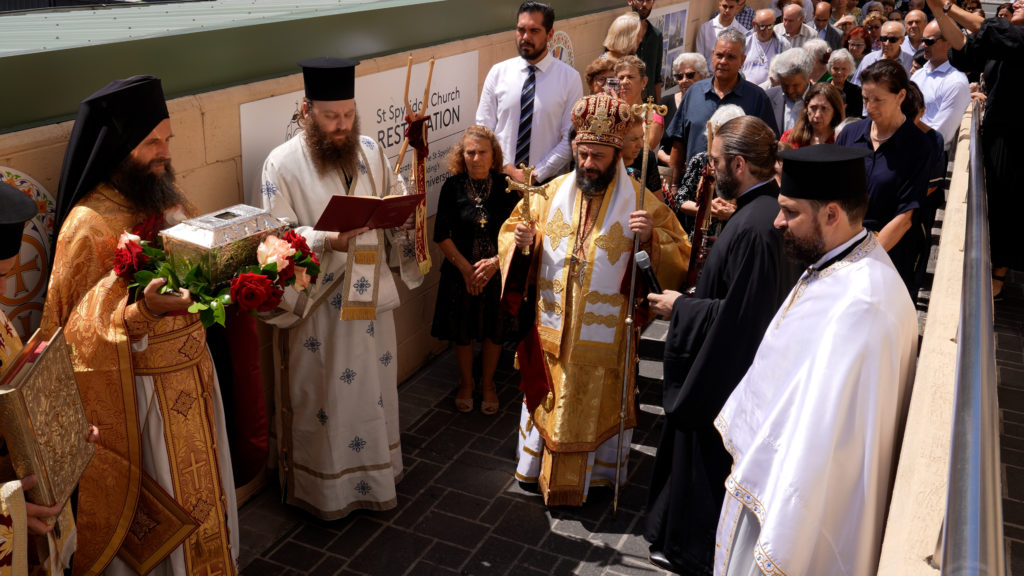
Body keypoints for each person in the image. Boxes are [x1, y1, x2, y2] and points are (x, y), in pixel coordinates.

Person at [41, 75, 238, 575]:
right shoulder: (89, 225)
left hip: (193, 378)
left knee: (204, 495)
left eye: (168, 139)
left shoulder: (166, 200)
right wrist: (140, 312)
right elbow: (70, 337)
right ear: (119, 146)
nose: (164, 153)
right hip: (138, 402)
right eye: (152, 142)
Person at [713, 144, 918, 576]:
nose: (777, 221)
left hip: (793, 512)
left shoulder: (863, 304)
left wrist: (783, 527)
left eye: (789, 211)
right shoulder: (838, 261)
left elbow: (823, 442)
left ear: (830, 215)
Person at [504, 93, 690, 507]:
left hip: (605, 341)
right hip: (552, 334)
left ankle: (597, 477)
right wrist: (524, 244)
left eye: (598, 157)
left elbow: (681, 255)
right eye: (583, 154)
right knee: (551, 399)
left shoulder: (641, 201)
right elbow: (513, 235)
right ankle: (535, 469)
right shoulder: (550, 194)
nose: (588, 164)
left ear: (618, 155)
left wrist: (651, 240)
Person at [261, 58, 425, 519]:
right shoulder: (281, 163)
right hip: (321, 310)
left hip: (370, 298)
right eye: (332, 117)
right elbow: (274, 239)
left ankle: (375, 477)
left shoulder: (370, 149)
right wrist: (326, 239)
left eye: (349, 115)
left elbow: (390, 198)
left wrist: (404, 209)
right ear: (306, 110)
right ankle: (324, 492)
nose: (342, 126)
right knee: (326, 397)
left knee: (372, 390)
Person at [644, 116, 800, 575]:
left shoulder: (755, 226)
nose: (709, 172)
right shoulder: (761, 211)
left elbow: (746, 317)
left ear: (738, 164)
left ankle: (693, 552)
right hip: (727, 360)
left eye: (714, 163)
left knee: (706, 469)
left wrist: (682, 309)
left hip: (726, 374)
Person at [937, 0, 1024, 298]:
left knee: (1006, 206)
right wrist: (936, 9)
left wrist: (948, 5)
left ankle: (998, 270)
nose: (1017, 2)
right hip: (996, 135)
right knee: (990, 203)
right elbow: (964, 46)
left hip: (1015, 144)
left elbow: (987, 28)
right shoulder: (1006, 40)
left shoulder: (1016, 39)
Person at [431, 126, 520, 416]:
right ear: (462, 154)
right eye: (470, 152)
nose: (476, 157)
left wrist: (495, 263)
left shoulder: (507, 187)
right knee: (463, 331)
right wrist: (467, 270)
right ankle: (467, 383)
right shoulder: (452, 187)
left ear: (493, 155)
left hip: (496, 273)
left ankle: (490, 384)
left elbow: (518, 231)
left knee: (494, 332)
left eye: (483, 152)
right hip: (460, 274)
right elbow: (441, 234)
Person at [836, 59, 931, 292]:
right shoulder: (850, 134)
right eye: (866, 99)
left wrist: (863, 260)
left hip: (887, 255)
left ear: (900, 97)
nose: (869, 107)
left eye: (879, 100)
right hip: (841, 247)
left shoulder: (918, 146)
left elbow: (905, 216)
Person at [477, 1, 583, 184]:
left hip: (546, 185)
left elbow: (570, 139)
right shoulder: (498, 72)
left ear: (550, 34)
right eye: (520, 30)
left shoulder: (569, 79)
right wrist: (509, 169)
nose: (525, 37)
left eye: (534, 31)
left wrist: (535, 175)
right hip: (500, 179)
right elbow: (483, 130)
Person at [666, 29, 779, 188]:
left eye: (731, 57)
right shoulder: (694, 93)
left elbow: (768, 149)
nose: (723, 61)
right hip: (693, 192)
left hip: (736, 193)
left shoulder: (757, 98)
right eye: (719, 55)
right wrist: (674, 185)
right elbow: (678, 143)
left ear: (742, 60)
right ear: (712, 55)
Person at [672, 104, 746, 237]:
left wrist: (734, 213)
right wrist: (706, 208)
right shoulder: (701, 160)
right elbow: (681, 200)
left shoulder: (745, 165)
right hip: (699, 236)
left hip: (733, 235)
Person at [911, 19, 971, 152]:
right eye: (923, 39)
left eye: (929, 41)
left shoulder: (956, 82)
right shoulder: (918, 74)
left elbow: (942, 134)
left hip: (928, 154)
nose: (923, 45)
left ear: (949, 43)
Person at [659, 52, 708, 168]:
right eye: (679, 77)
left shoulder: (709, 104)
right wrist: (671, 160)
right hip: (667, 171)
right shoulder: (665, 103)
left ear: (703, 76)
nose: (684, 80)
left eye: (690, 75)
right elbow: (653, 143)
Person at [614, 56, 663, 151]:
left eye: (630, 77)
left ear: (644, 82)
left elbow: (641, 151)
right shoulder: (612, 111)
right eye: (621, 78)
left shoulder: (651, 115)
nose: (624, 82)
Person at [765, 47, 815, 132]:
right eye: (784, 85)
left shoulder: (823, 100)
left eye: (795, 85)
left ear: (809, 76)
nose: (790, 90)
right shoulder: (768, 97)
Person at [781, 82, 846, 145]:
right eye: (813, 108)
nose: (817, 115)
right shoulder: (790, 138)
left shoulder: (842, 141)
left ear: (835, 112)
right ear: (806, 108)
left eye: (824, 108)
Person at [852, 20, 914, 84]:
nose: (886, 43)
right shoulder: (868, 59)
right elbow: (857, 85)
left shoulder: (910, 62)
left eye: (892, 40)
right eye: (883, 39)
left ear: (902, 40)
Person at [629, 0, 665, 101]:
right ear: (629, 1)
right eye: (641, 0)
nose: (645, 5)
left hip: (648, 106)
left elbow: (657, 78)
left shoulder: (656, 35)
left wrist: (657, 112)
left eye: (649, 1)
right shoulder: (620, 33)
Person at [696, 0, 750, 64]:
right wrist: (706, 74)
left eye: (731, 7)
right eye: (725, 6)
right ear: (719, 5)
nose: (727, 10)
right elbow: (699, 57)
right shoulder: (705, 28)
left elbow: (743, 61)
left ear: (737, 8)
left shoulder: (743, 33)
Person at [741, 9, 784, 86]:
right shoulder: (744, 41)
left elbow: (786, 71)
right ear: (754, 25)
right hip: (744, 89)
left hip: (770, 92)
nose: (766, 31)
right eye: (762, 27)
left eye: (770, 26)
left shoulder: (782, 43)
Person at [829, 48, 864, 117]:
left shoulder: (856, 92)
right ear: (830, 69)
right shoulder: (822, 88)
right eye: (836, 69)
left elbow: (856, 118)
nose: (839, 72)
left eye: (844, 69)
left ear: (849, 70)